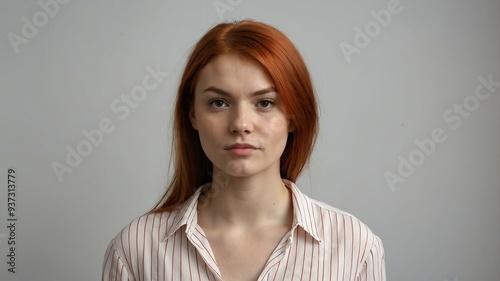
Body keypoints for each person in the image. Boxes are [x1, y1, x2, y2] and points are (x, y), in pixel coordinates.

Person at [102, 19, 386, 281]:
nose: (240, 124)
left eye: (264, 103)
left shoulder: (355, 248)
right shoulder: (136, 250)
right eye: (218, 103)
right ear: (192, 115)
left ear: (293, 115)